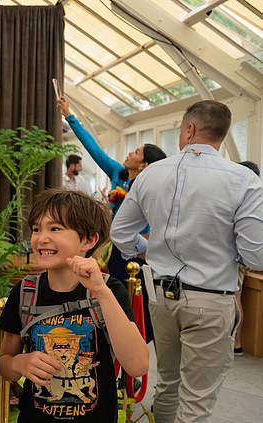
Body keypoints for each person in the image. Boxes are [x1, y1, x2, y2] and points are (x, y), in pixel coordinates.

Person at [110, 100, 263, 423]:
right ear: (222, 134)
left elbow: (121, 235)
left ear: (190, 130)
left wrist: (147, 249)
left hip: (160, 298)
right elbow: (255, 254)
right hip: (211, 299)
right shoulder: (244, 180)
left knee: (168, 384)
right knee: (196, 401)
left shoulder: (150, 176)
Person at [0, 189, 148, 423]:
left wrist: (100, 291)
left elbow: (137, 365)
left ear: (88, 240)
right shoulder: (24, 293)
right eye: (37, 228)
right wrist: (20, 362)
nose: (41, 238)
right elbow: (5, 364)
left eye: (55, 228)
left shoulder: (111, 291)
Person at [57, 96, 166, 343]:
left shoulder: (152, 187)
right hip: (116, 248)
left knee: (138, 302)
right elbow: (93, 149)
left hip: (140, 254)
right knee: (115, 296)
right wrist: (69, 115)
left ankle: (136, 348)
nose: (130, 152)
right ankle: (116, 345)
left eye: (136, 151)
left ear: (145, 164)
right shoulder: (118, 173)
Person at [234, 160, 261, 356]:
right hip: (246, 258)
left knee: (234, 299)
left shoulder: (245, 198)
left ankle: (236, 343)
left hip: (239, 259)